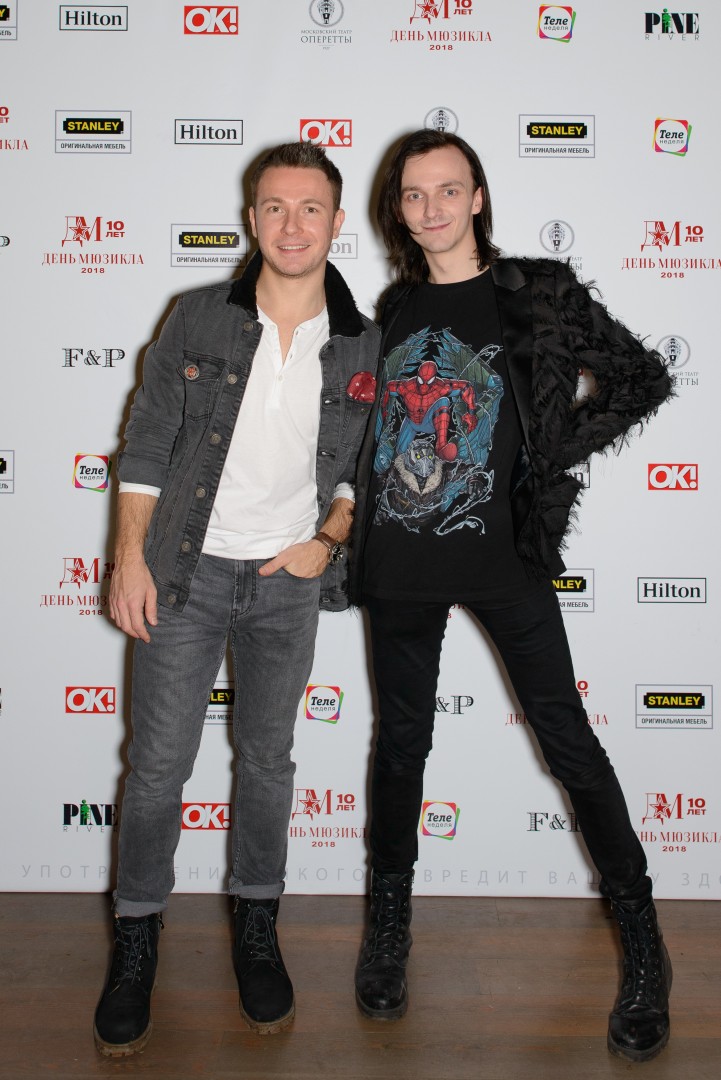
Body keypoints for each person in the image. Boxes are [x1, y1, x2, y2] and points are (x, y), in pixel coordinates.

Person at [349, 129, 673, 1063]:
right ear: (399, 209)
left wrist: (551, 452)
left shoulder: (537, 291)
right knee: (401, 745)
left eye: (449, 189)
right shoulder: (393, 307)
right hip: (399, 561)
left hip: (504, 559)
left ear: (478, 196)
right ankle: (387, 929)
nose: (433, 208)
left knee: (567, 741)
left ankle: (643, 945)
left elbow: (640, 376)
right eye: (414, 194)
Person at [93, 142, 379, 1056]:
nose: (292, 225)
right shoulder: (196, 318)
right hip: (182, 572)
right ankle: (136, 938)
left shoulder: (364, 341)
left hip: (285, 584)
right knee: (157, 770)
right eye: (274, 207)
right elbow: (146, 442)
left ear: (337, 223)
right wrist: (128, 559)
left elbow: (364, 468)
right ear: (251, 218)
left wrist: (324, 542)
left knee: (267, 764)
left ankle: (257, 925)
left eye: (310, 208)